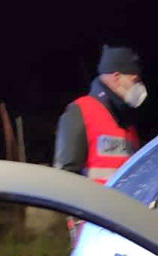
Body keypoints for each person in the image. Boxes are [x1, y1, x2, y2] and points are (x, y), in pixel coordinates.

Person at [53, 45, 146, 184]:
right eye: (135, 80)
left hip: (125, 204)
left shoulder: (126, 120)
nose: (139, 86)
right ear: (116, 77)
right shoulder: (80, 111)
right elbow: (65, 177)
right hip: (92, 204)